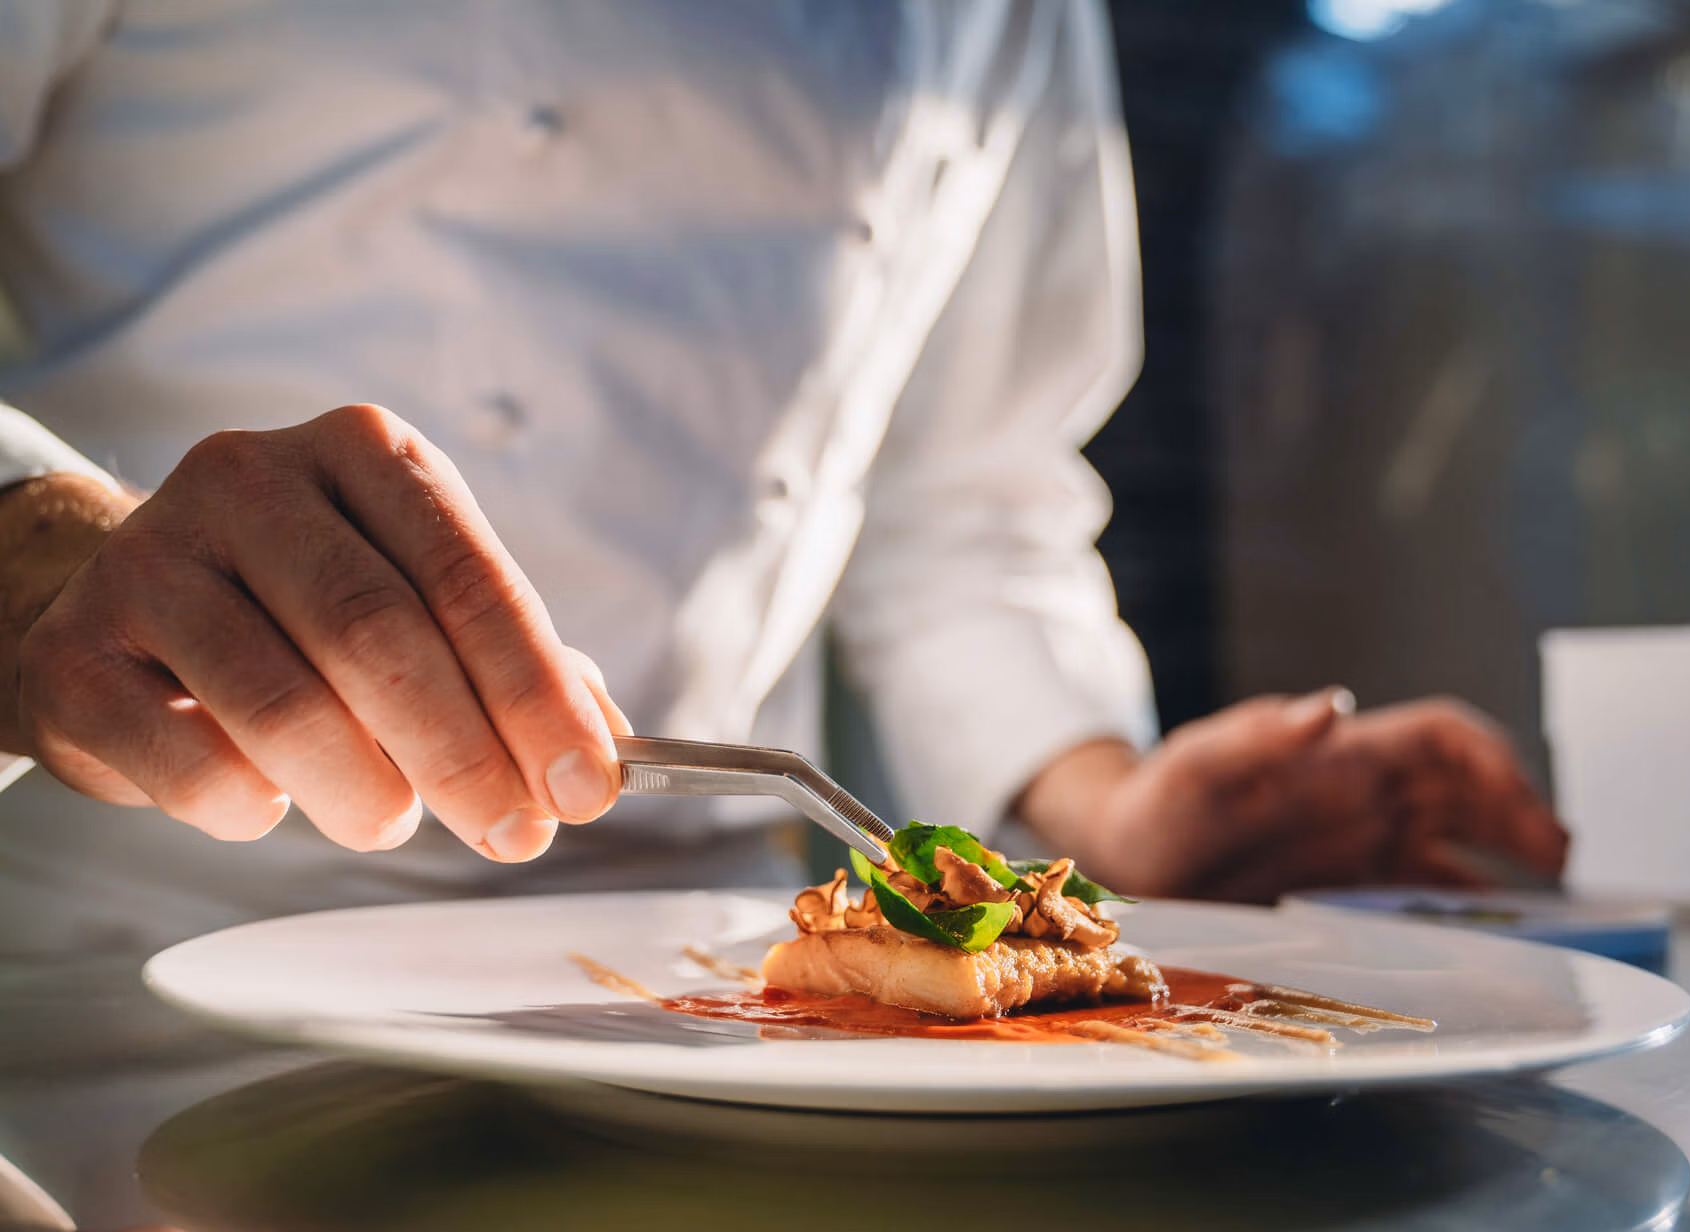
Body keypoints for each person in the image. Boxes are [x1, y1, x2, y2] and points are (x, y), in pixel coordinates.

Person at [0, 0, 1566, 980]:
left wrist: (1108, 808)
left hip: (717, 981)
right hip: (147, 966)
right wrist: (57, 563)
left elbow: (966, 495)